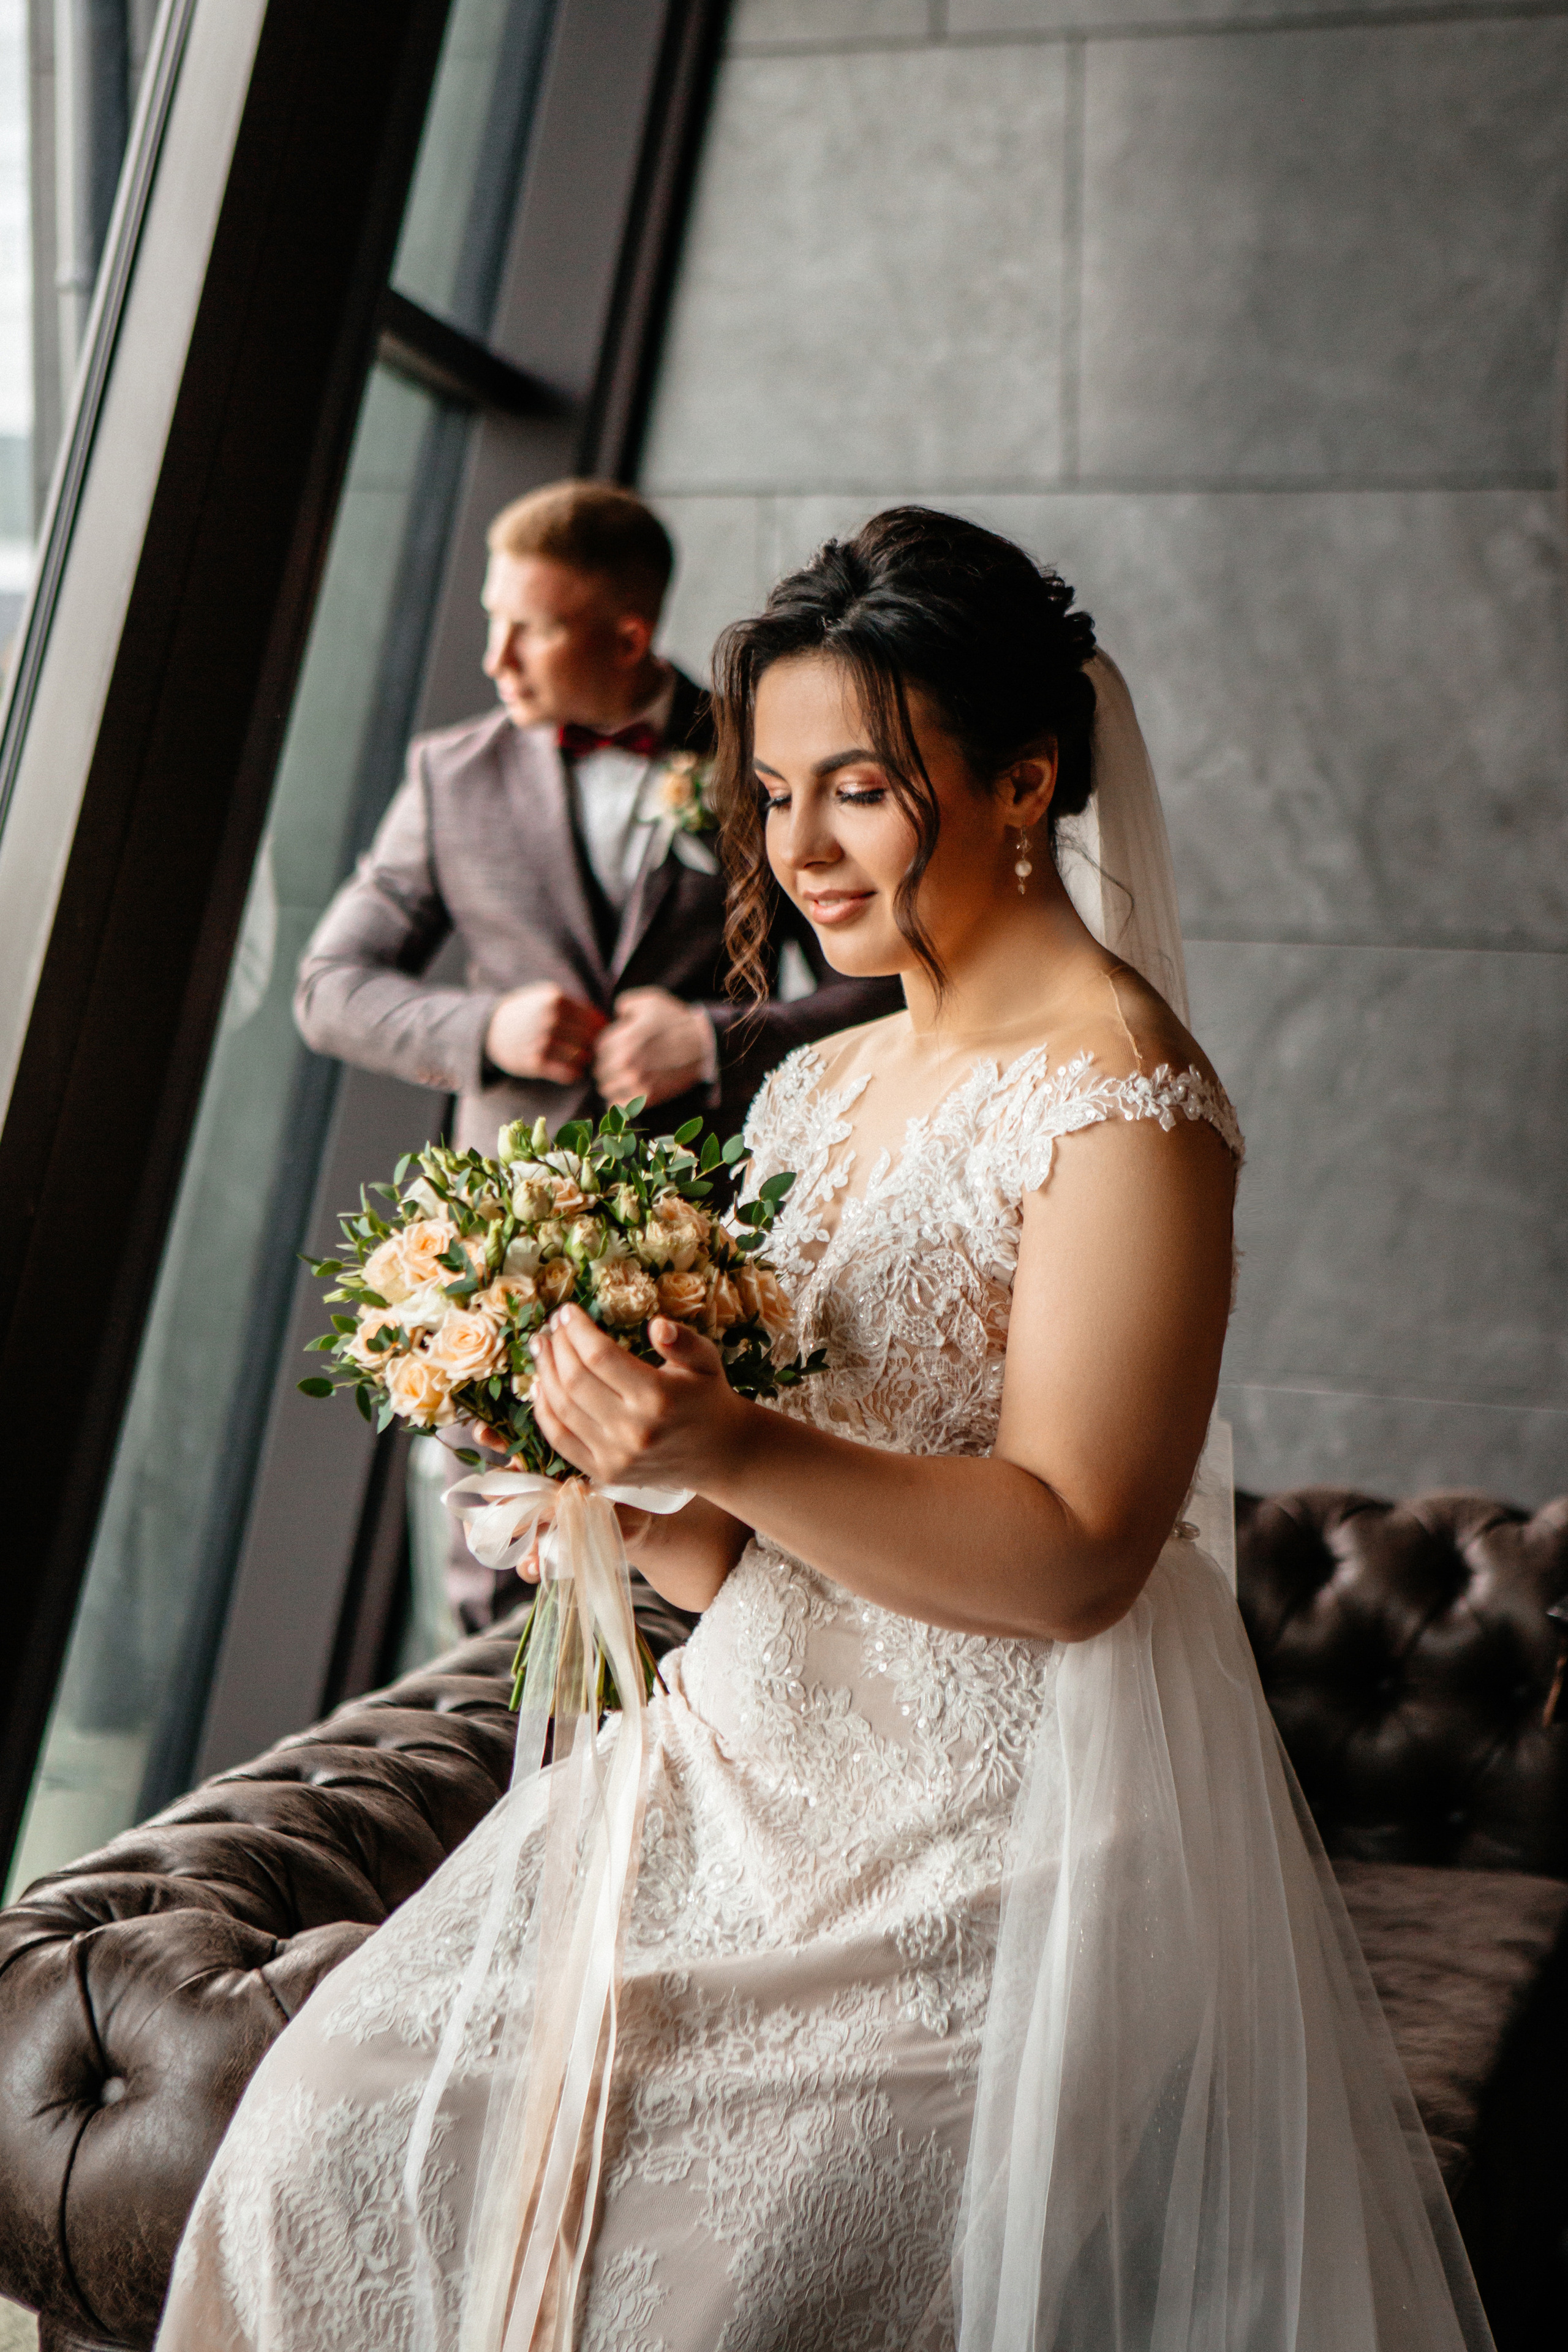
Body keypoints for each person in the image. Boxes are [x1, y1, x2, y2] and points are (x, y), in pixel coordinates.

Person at [159, 510, 1491, 2351]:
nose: (796, 851)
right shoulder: (817, 1085)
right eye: (770, 795)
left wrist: (727, 1450)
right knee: (318, 2146)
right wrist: (612, 1483)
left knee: (698, 2298)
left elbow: (1084, 1555)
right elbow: (746, 1549)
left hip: (993, 1844)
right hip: (728, 1782)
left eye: (858, 789)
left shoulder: (1127, 1104)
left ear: (1022, 779)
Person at [295, 477, 899, 1626]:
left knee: (701, 1568)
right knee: (499, 1567)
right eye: (492, 618)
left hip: (702, 1255)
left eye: (530, 626)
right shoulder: (450, 777)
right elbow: (330, 989)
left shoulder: (759, 760)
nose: (496, 658)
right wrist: (485, 1026)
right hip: (496, 1262)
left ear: (627, 635)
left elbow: (879, 982)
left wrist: (714, 1041)